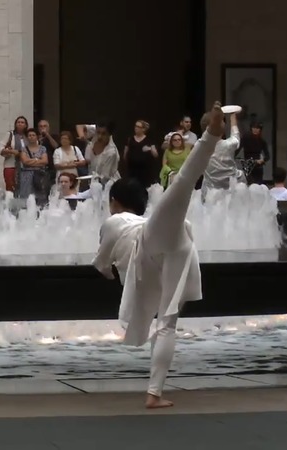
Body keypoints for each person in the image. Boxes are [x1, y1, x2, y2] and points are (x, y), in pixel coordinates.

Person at [93, 101, 226, 409]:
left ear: (114, 202)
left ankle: (210, 135)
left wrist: (109, 270)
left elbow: (100, 263)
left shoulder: (116, 220)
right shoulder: (132, 220)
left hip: (154, 243)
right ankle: (154, 392)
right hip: (176, 250)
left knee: (181, 187)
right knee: (167, 324)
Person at [200, 109, 244, 193]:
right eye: (222, 122)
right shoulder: (228, 145)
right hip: (231, 188)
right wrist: (232, 116)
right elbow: (235, 134)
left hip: (210, 191)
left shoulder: (199, 146)